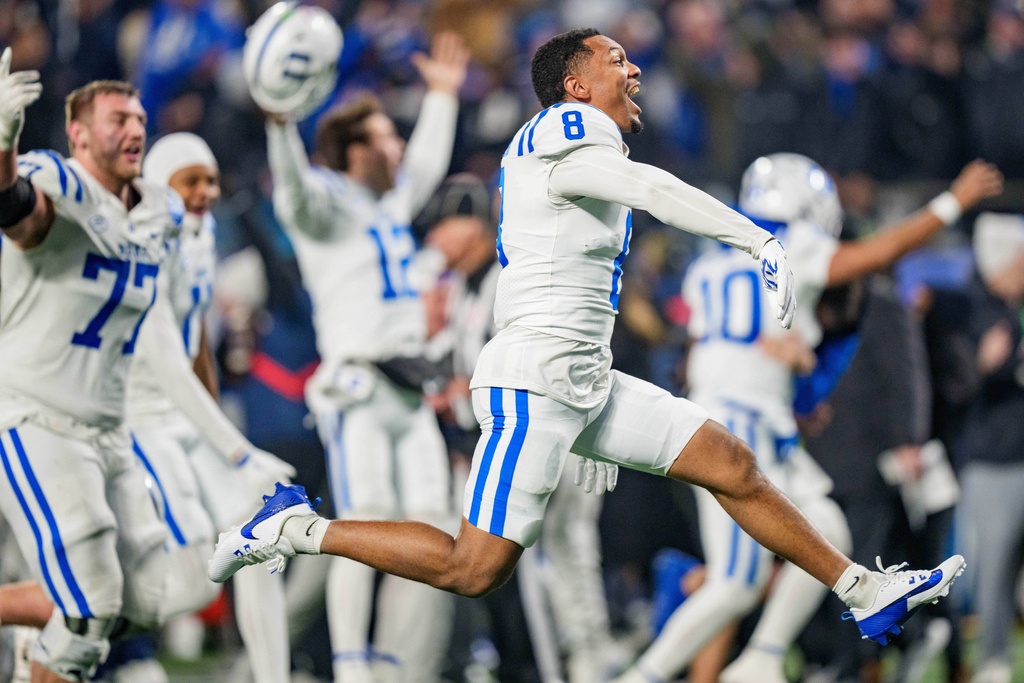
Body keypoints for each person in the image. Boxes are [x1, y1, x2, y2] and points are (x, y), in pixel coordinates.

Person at [209, 28, 965, 652]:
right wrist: (755, 239)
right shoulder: (570, 129)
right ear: (575, 87)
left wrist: (591, 427)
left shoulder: (579, 143)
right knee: (474, 566)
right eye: (614, 60)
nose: (633, 68)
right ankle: (295, 526)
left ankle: (862, 587)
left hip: (582, 378)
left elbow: (584, 277)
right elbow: (655, 191)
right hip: (535, 379)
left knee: (730, 461)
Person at [615, 154, 1002, 683]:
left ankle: (764, 657)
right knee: (734, 583)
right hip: (739, 421)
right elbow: (878, 252)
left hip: (747, 415)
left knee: (829, 525)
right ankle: (644, 676)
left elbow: (717, 341)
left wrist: (787, 377)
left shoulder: (714, 256)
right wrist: (952, 200)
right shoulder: (790, 247)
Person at [262, 31, 470, 683]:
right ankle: (352, 666)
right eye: (385, 136)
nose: (399, 147)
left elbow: (429, 163)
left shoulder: (386, 205)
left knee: (435, 528)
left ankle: (401, 664)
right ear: (355, 152)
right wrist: (280, 124)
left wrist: (442, 96)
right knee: (362, 525)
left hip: (410, 389)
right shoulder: (327, 208)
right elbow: (292, 191)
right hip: (356, 388)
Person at [0, 54, 216, 681]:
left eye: (141, 117)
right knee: (87, 609)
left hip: (110, 428)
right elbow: (17, 209)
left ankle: (36, 649)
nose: (134, 129)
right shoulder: (56, 182)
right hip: (37, 415)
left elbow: (178, 323)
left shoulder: (160, 212)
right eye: (118, 118)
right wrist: (5, 143)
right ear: (79, 134)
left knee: (157, 595)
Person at [122, 132, 295, 683]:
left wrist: (218, 427)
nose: (205, 192)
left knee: (256, 541)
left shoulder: (199, 235)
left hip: (181, 418)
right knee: (191, 577)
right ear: (157, 184)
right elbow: (163, 362)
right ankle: (58, 623)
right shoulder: (144, 242)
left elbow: (194, 343)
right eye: (189, 180)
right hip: (134, 421)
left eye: (210, 179)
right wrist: (238, 451)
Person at [959, 213, 1024, 683]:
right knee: (993, 572)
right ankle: (992, 662)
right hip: (993, 463)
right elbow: (956, 386)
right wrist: (984, 366)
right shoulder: (971, 309)